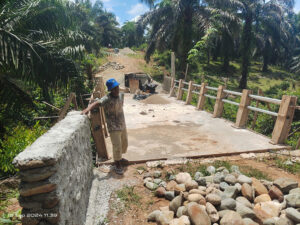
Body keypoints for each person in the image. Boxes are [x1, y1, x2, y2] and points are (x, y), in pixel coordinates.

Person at [81, 78, 128, 175]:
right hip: (113, 126)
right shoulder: (107, 99)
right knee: (117, 145)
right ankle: (117, 164)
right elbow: (97, 103)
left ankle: (119, 157)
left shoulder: (121, 96)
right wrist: (88, 109)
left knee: (124, 143)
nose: (116, 90)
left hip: (122, 124)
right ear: (110, 90)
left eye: (117, 88)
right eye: (114, 89)